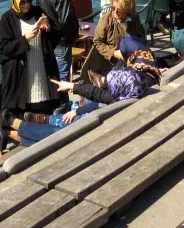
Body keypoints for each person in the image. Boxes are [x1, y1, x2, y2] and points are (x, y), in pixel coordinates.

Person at [8, 35, 160, 146]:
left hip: (101, 131)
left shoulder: (124, 88)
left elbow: (100, 97)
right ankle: (22, 134)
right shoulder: (141, 81)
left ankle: (21, 127)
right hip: (113, 119)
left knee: (61, 132)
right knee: (76, 116)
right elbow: (102, 96)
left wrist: (73, 90)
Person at [0, 0, 60, 157]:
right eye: (22, 2)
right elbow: (5, 48)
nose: (26, 5)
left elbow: (53, 40)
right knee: (12, 111)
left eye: (29, 0)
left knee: (41, 109)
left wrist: (47, 29)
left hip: (40, 70)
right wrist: (25, 39)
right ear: (15, 0)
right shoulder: (7, 19)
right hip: (20, 74)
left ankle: (37, 143)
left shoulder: (38, 12)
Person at [34, 0, 79, 89]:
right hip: (61, 40)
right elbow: (65, 20)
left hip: (46, 37)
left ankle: (55, 103)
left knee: (50, 73)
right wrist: (72, 36)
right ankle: (62, 106)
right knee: (62, 76)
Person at [83, 0, 146, 79]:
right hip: (109, 60)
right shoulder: (106, 19)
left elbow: (140, 38)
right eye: (113, 8)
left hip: (130, 58)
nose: (115, 12)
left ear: (128, 10)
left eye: (119, 10)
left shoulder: (134, 18)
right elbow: (97, 42)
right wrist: (113, 53)